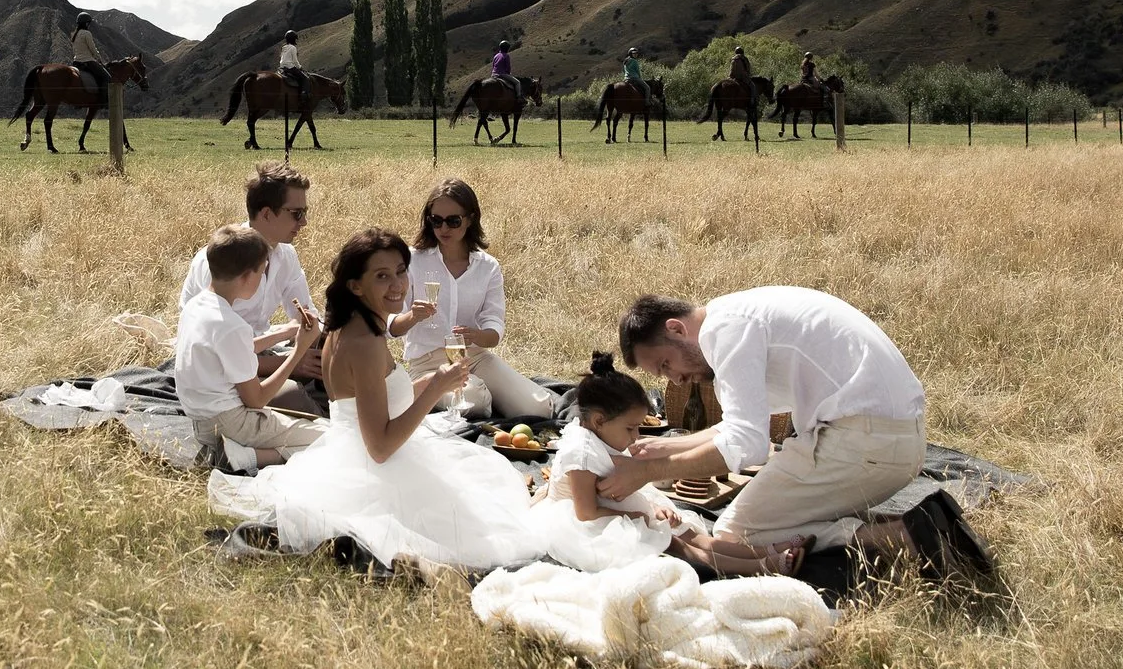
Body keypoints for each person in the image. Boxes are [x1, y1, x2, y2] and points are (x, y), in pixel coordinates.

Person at [209, 228, 572, 572]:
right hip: (375, 469)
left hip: (353, 450)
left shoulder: (361, 324)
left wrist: (431, 381)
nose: (398, 284)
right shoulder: (363, 342)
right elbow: (380, 446)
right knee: (490, 524)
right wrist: (433, 390)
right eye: (381, 276)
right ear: (355, 285)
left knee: (486, 489)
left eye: (400, 271)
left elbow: (377, 400)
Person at [610, 287, 926, 558]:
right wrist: (666, 445)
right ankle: (926, 521)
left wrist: (650, 471)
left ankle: (910, 536)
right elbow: (740, 425)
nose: (675, 380)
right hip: (893, 439)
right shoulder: (733, 317)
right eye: (662, 374)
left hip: (869, 444)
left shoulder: (726, 332)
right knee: (774, 519)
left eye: (666, 364)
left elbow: (749, 445)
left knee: (736, 535)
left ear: (676, 329)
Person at [536, 356, 806, 575]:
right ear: (598, 421)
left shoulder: (603, 436)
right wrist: (636, 516)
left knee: (691, 533)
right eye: (630, 428)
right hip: (589, 522)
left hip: (619, 507)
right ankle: (759, 567)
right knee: (678, 544)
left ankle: (767, 549)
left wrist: (654, 508)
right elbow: (585, 512)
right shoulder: (581, 454)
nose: (636, 437)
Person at [397, 178, 559, 420]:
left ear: (470, 219)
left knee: (539, 409)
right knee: (475, 400)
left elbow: (494, 329)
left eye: (453, 221)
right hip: (428, 363)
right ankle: (482, 399)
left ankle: (492, 398)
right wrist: (412, 316)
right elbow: (391, 325)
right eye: (436, 220)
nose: (444, 229)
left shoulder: (488, 267)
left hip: (476, 357)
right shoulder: (412, 261)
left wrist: (477, 336)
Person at [176, 226, 323, 468]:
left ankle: (238, 453)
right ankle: (245, 457)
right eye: (262, 272)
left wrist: (285, 333)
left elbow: (233, 347)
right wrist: (298, 351)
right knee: (328, 437)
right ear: (247, 276)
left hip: (202, 423)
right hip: (232, 424)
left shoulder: (196, 307)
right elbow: (256, 400)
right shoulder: (233, 326)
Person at [179, 162, 322, 382]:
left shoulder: (285, 255)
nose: (304, 222)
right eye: (297, 213)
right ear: (266, 214)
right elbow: (217, 357)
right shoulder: (225, 258)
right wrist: (293, 362)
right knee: (295, 396)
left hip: (256, 351)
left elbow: (305, 316)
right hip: (219, 369)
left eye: (305, 212)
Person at [70, 14, 106, 98]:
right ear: (86, 23)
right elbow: (92, 48)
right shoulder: (87, 33)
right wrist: (99, 59)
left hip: (76, 62)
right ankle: (104, 101)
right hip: (88, 61)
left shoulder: (74, 34)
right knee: (106, 77)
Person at [276, 29, 308, 101]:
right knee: (305, 78)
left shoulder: (283, 47)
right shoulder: (293, 48)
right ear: (293, 39)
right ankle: (303, 94)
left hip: (282, 67)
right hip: (290, 67)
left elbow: (281, 57)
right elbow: (295, 61)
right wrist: (300, 67)